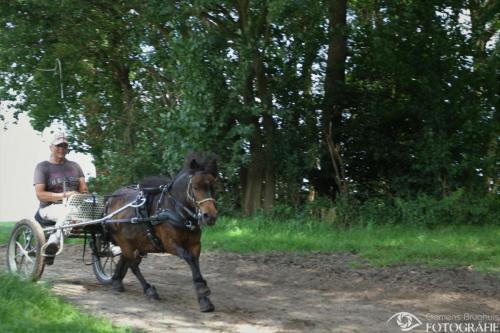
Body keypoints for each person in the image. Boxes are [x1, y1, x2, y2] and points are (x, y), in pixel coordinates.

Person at [33, 132, 88, 264]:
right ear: (51, 147)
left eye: (64, 146)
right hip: (49, 208)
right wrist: (64, 195)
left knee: (101, 212)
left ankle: (112, 245)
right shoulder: (42, 167)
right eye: (58, 145)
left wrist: (84, 195)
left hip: (74, 207)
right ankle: (52, 243)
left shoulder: (75, 166)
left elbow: (84, 189)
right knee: (70, 213)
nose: (61, 149)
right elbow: (40, 194)